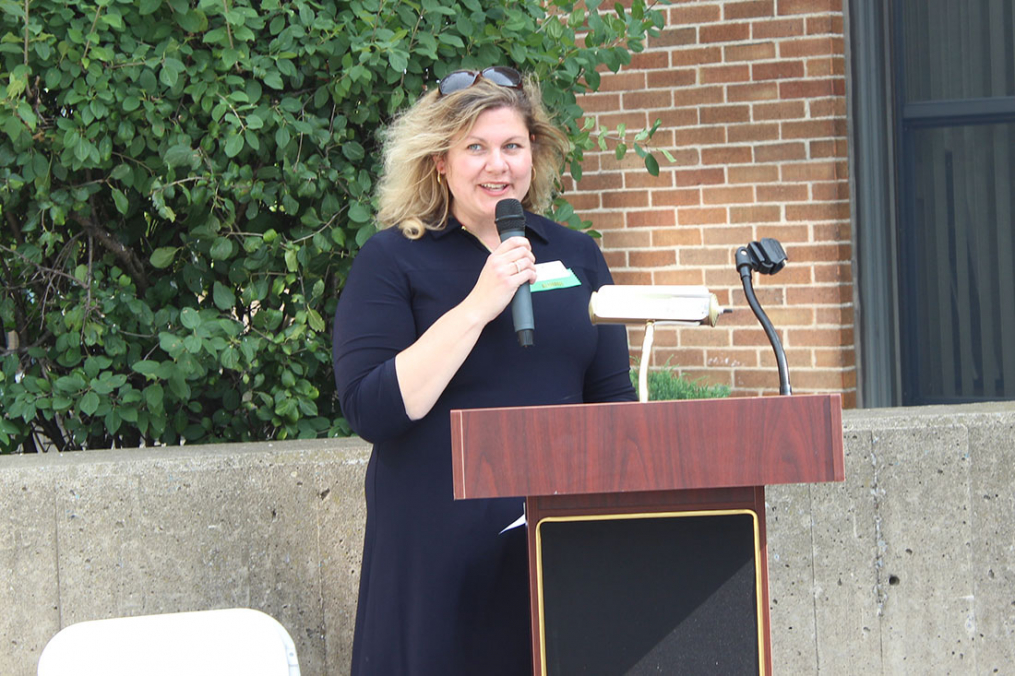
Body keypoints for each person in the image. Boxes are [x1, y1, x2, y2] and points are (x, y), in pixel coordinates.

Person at [332, 66, 636, 675]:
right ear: (440, 163)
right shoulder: (393, 259)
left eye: (511, 147)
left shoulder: (575, 254)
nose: (497, 165)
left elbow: (611, 404)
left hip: (555, 554)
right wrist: (479, 304)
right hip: (438, 559)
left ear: (534, 156)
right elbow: (371, 408)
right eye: (475, 148)